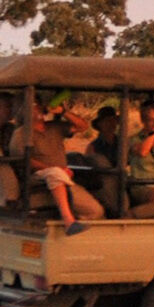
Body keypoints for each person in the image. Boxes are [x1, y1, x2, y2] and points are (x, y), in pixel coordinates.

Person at [21, 99, 100, 234]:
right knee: (55, 173)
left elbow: (83, 126)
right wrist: (51, 168)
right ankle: (69, 221)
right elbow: (25, 161)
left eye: (38, 106)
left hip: (62, 176)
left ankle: (74, 232)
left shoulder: (54, 127)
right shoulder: (22, 133)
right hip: (39, 176)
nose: (37, 109)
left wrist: (63, 112)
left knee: (95, 210)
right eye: (33, 107)